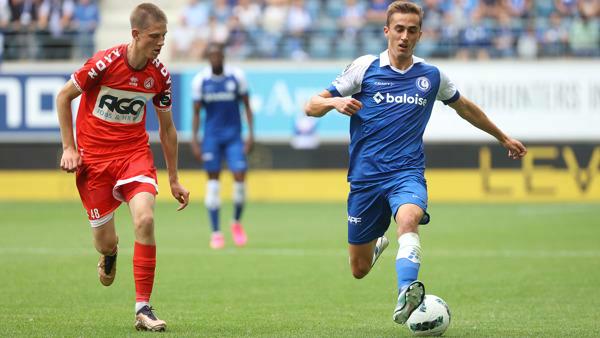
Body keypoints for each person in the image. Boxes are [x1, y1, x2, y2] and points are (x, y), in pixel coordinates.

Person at [304, 1, 526, 328]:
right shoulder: (365, 68)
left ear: (420, 35)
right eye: (399, 29)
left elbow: (465, 107)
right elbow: (311, 105)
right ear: (387, 31)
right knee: (359, 269)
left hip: (406, 174)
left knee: (409, 218)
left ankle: (406, 290)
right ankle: (377, 244)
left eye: (411, 30)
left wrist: (503, 137)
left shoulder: (431, 76)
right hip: (365, 180)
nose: (404, 36)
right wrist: (335, 101)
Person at [56, 3, 189, 332]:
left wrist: (173, 179)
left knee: (145, 218)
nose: (160, 43)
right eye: (154, 36)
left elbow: (168, 130)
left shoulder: (159, 76)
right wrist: (69, 148)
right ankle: (110, 253)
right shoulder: (103, 64)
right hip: (95, 162)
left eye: (164, 37)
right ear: (135, 34)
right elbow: (63, 96)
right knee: (105, 241)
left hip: (134, 155)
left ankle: (143, 307)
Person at [191, 44, 254, 249]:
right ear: (208, 58)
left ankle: (236, 222)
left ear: (223, 57)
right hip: (211, 138)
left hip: (234, 136)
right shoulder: (201, 81)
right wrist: (194, 140)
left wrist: (250, 135)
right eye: (212, 56)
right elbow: (196, 113)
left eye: (218, 55)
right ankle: (216, 232)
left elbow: (246, 106)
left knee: (240, 178)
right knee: (213, 184)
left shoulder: (237, 77)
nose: (215, 58)